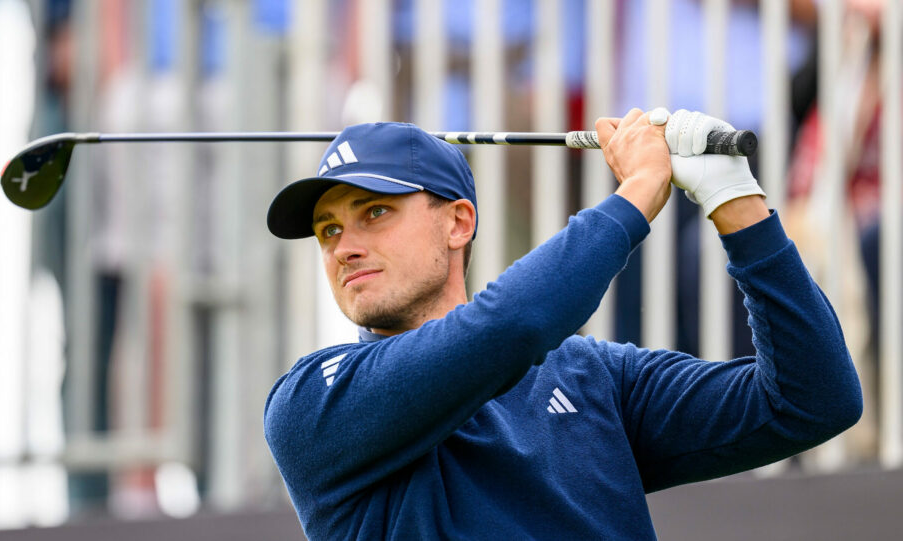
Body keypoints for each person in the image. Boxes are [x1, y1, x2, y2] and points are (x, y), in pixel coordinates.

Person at [263, 111, 862, 539]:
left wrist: (736, 202)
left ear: (458, 223)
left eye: (375, 212)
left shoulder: (593, 375)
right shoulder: (314, 401)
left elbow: (815, 401)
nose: (345, 247)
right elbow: (511, 325)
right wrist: (639, 192)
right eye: (329, 230)